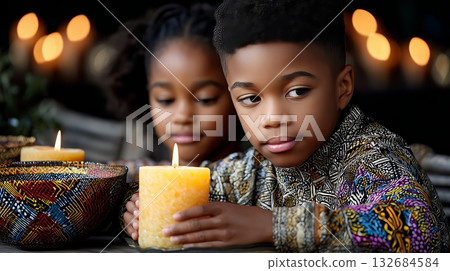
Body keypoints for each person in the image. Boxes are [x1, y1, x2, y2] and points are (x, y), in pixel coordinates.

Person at [130, 0, 450, 252]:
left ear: (343, 87)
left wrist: (273, 225)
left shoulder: (371, 158)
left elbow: (420, 230)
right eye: (251, 98)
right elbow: (182, 191)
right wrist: (138, 210)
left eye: (297, 91)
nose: (272, 117)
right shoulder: (252, 171)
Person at [121, 2, 245, 241]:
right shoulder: (133, 178)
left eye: (206, 98)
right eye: (166, 100)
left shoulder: (267, 181)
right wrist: (127, 209)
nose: (182, 116)